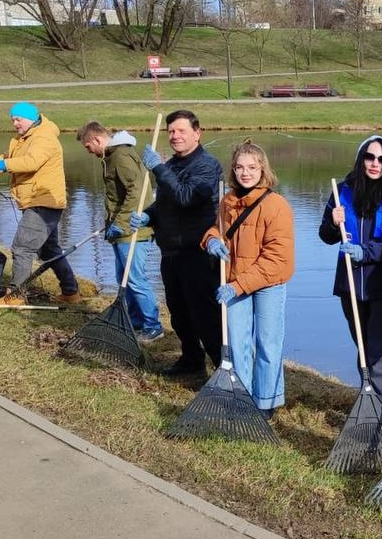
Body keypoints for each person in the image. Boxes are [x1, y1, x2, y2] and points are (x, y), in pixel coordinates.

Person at [317, 135, 382, 414]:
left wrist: (366, 251)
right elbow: (325, 235)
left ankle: (379, 414)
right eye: (370, 157)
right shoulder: (342, 191)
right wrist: (334, 225)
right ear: (361, 159)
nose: (375, 163)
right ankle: (367, 400)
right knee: (364, 346)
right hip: (350, 283)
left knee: (381, 352)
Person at [202, 141, 294, 417]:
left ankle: (266, 401)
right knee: (237, 343)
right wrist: (211, 241)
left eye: (252, 167)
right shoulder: (227, 201)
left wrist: (237, 286)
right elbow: (216, 230)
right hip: (234, 281)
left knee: (268, 343)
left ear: (263, 169)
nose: (245, 173)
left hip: (266, 285)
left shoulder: (276, 205)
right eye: (240, 167)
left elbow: (277, 258)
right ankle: (241, 398)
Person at [129, 109, 222, 376]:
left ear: (197, 132)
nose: (175, 136)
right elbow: (167, 203)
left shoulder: (206, 165)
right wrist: (148, 215)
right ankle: (191, 361)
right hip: (170, 251)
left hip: (198, 253)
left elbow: (186, 197)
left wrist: (157, 167)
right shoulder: (171, 166)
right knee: (179, 313)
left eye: (181, 131)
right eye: (171, 131)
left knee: (204, 315)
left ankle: (222, 369)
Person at [0, 101, 80, 305]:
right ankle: (70, 292)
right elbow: (13, 157)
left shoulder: (44, 137)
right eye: (12, 119)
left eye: (18, 119)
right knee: (50, 250)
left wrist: (0, 165)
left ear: (31, 118)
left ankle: (15, 296)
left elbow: (31, 162)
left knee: (22, 248)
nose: (15, 123)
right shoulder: (24, 138)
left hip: (43, 201)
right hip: (33, 200)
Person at [75, 121, 163, 343]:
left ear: (96, 140)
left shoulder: (121, 156)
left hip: (133, 231)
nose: (89, 151)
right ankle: (133, 320)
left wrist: (122, 223)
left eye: (88, 147)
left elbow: (138, 191)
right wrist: (110, 222)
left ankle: (153, 325)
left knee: (134, 279)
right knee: (122, 277)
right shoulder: (111, 157)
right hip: (120, 231)